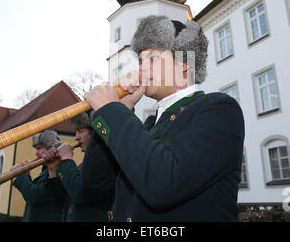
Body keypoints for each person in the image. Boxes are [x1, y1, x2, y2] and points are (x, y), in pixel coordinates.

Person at [83, 15, 245, 221]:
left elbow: (163, 184)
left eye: (153, 58)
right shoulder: (149, 126)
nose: (141, 68)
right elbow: (93, 187)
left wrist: (112, 111)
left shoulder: (218, 110)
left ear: (185, 62)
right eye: (141, 60)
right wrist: (119, 110)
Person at [40, 111, 117, 222]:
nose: (76, 137)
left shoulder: (108, 161)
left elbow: (81, 195)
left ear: (95, 133)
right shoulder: (84, 165)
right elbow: (60, 201)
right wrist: (53, 169)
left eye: (81, 131)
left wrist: (66, 159)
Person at [11, 129, 65, 222]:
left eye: (39, 148)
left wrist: (21, 177)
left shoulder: (58, 170)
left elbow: (36, 197)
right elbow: (32, 200)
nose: (36, 153)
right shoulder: (46, 171)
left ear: (51, 147)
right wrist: (26, 177)